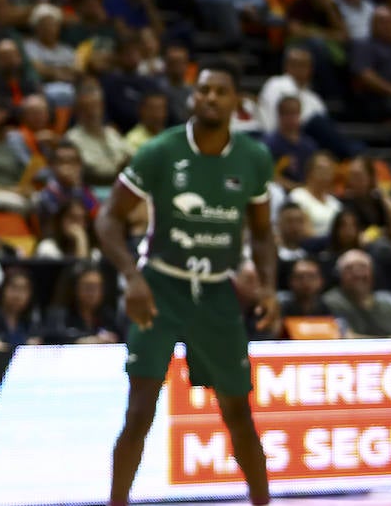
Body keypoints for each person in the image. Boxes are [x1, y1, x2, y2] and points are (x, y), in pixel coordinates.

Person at [96, 62, 277, 506]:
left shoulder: (253, 159)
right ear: (192, 99)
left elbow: (263, 231)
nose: (211, 98)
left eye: (221, 91)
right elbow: (108, 218)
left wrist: (270, 286)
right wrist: (132, 277)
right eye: (203, 91)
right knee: (139, 411)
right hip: (160, 287)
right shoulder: (161, 151)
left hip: (217, 290)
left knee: (239, 412)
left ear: (237, 102)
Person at [321, 249, 391, 339]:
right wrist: (389, 340)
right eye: (349, 268)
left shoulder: (387, 302)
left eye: (363, 267)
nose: (358, 273)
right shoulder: (331, 301)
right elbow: (347, 338)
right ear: (339, 275)